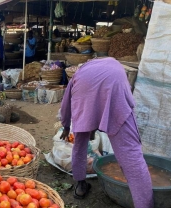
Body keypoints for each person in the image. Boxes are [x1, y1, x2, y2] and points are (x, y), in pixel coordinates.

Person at [59, 57, 153, 208]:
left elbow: (66, 104)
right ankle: (144, 204)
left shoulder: (79, 73)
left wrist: (66, 126)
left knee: (80, 143)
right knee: (131, 155)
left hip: (85, 84)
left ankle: (81, 186)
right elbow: (123, 100)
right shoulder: (113, 65)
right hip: (114, 81)